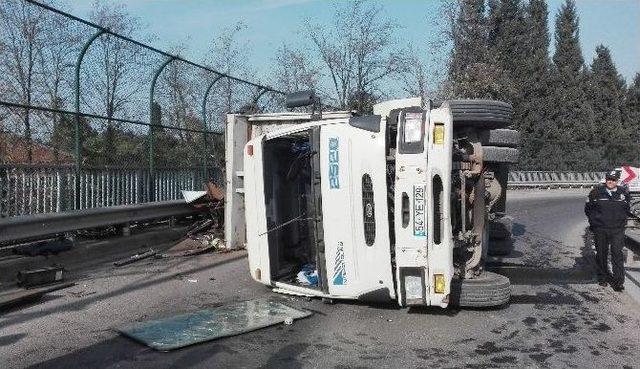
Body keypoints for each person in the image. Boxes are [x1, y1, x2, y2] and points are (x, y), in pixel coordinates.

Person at [585, 170, 630, 291]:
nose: (611, 181)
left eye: (613, 180)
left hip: (617, 230)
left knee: (617, 254)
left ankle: (618, 282)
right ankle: (603, 278)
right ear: (606, 179)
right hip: (601, 229)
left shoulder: (623, 193)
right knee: (601, 254)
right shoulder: (596, 193)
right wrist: (594, 224)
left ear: (617, 181)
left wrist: (622, 223)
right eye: (609, 179)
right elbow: (588, 209)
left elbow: (627, 209)